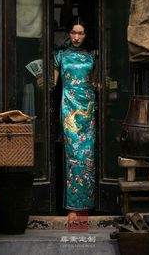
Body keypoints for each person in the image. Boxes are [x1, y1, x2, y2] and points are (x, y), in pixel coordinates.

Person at [54, 16, 96, 216]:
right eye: (73, 33)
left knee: (87, 155)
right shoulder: (60, 56)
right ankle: (73, 206)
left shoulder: (92, 56)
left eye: (80, 33)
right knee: (73, 155)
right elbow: (53, 84)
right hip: (69, 109)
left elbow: (96, 82)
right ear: (68, 34)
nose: (77, 37)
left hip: (88, 111)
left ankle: (86, 205)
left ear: (85, 35)